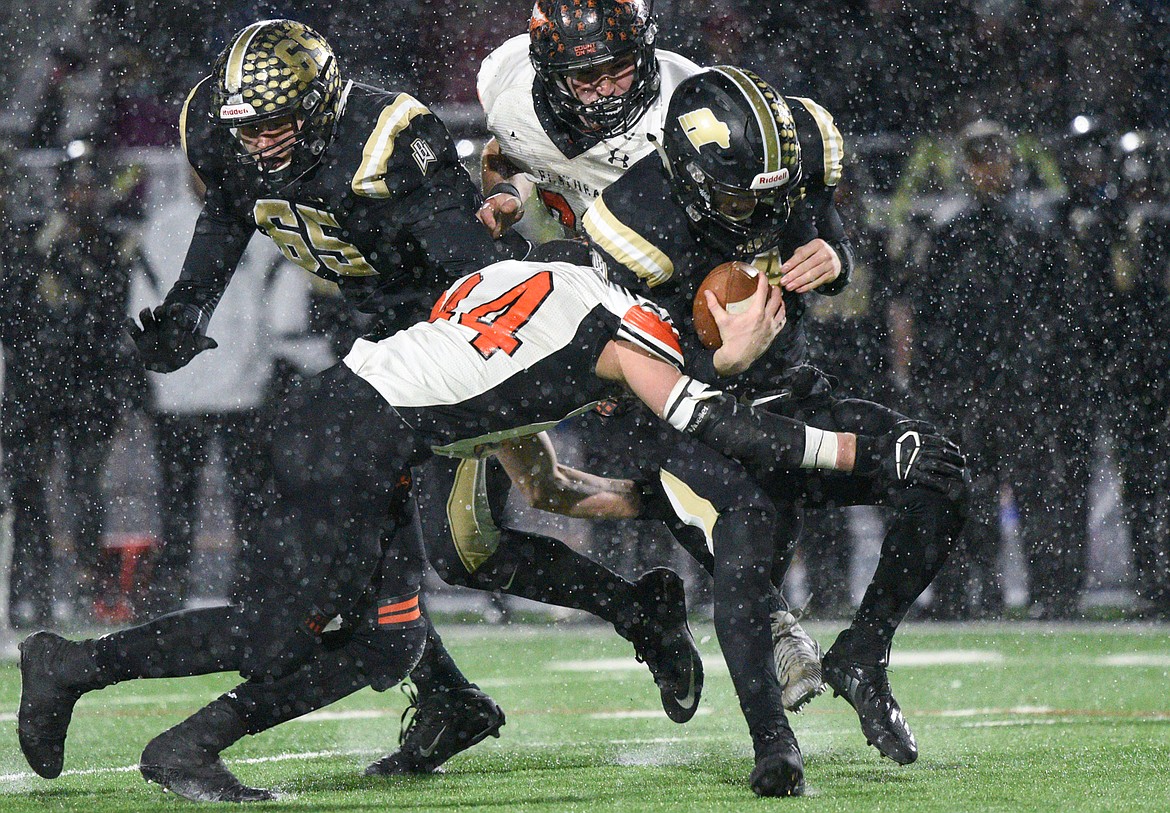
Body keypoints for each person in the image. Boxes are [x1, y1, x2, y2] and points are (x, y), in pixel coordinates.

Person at [14, 18, 702, 795]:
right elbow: (233, 204)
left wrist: (555, 366)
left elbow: (478, 285)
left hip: (438, 355)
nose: (262, 143)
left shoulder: (394, 144)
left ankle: (463, 688)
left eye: (279, 125)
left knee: (441, 564)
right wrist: (188, 309)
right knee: (382, 608)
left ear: (324, 106)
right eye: (250, 126)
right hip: (371, 376)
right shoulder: (221, 125)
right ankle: (152, 707)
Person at [20, 248, 966, 800]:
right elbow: (705, 416)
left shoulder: (537, 290)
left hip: (355, 425)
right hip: (350, 442)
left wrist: (652, 502)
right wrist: (859, 457)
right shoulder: (636, 333)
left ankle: (188, 742)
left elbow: (550, 485)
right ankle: (75, 667)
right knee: (280, 633)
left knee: (389, 646)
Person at [581, 66, 969, 766]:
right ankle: (772, 743)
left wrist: (836, 253)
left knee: (939, 468)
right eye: (737, 196)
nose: (760, 213)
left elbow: (824, 224)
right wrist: (719, 364)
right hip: (688, 420)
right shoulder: (632, 226)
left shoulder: (801, 149)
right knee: (745, 537)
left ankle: (863, 652)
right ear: (690, 178)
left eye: (777, 191)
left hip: (783, 388)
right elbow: (644, 384)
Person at [469, 0, 825, 714]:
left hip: (677, 284)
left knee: (684, 449)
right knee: (518, 504)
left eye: (617, 70)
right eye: (584, 76)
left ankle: (768, 613)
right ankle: (691, 578)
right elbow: (503, 151)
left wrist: (810, 260)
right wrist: (506, 193)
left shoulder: (691, 105)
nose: (602, 89)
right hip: (572, 282)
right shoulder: (507, 86)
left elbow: (767, 199)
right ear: (547, 67)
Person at [911, 120, 1084, 620]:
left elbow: (1059, 310)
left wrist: (1045, 371)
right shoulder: (949, 230)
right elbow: (927, 315)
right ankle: (970, 594)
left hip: (1020, 383)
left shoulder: (1034, 226)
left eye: (995, 158)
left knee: (1034, 492)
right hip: (970, 384)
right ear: (968, 166)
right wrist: (936, 379)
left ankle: (1049, 594)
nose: (988, 169)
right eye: (979, 160)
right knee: (972, 494)